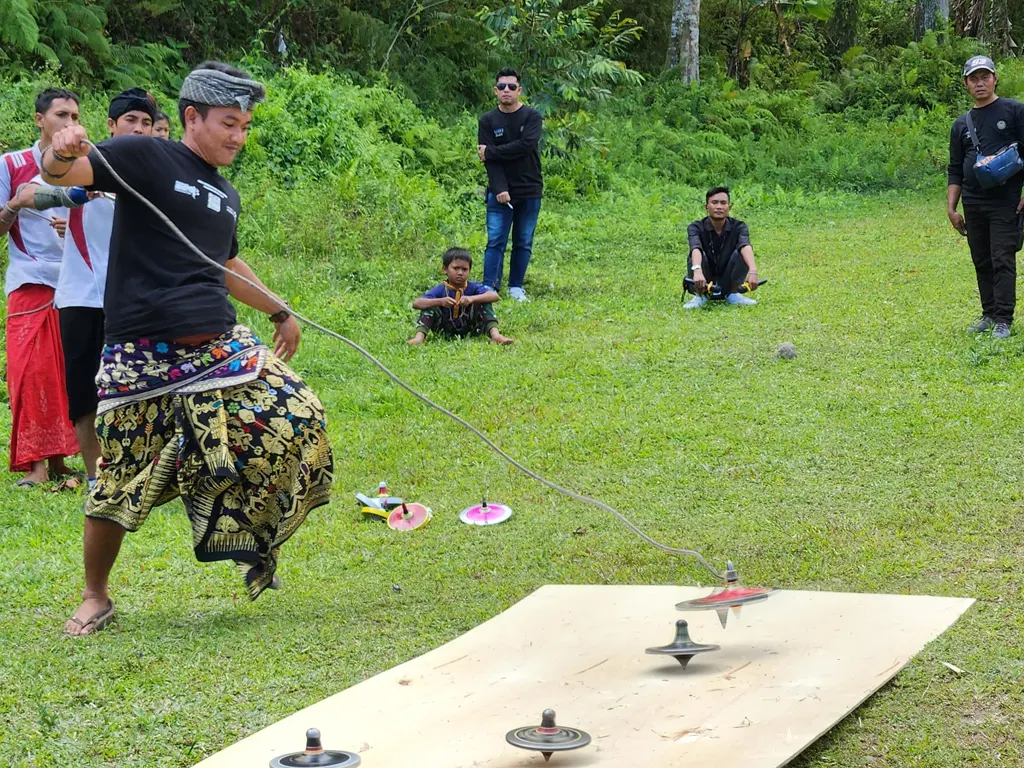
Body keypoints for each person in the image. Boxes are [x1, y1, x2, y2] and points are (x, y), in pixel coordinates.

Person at [41, 61, 335, 635]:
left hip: (218, 349)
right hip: (141, 354)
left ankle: (251, 541)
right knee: (118, 477)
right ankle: (95, 595)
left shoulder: (225, 194)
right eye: (229, 123)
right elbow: (64, 172)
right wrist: (60, 149)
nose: (238, 137)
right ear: (192, 116)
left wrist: (279, 310)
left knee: (296, 418)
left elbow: (225, 264)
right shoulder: (146, 156)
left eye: (245, 126)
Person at [22, 88, 157, 490]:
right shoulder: (84, 164)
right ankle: (97, 478)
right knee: (84, 394)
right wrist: (77, 193)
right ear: (111, 125)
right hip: (80, 296)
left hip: (133, 299)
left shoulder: (158, 173)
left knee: (137, 390)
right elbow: (31, 193)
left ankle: (139, 473)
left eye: (146, 122)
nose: (139, 128)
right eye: (130, 120)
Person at [0, 89, 81, 486]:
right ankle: (36, 465)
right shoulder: (11, 164)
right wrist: (16, 205)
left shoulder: (84, 166)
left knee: (65, 373)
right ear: (39, 120)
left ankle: (61, 462)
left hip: (75, 282)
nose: (69, 123)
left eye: (75, 116)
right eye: (61, 114)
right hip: (30, 280)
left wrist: (75, 228)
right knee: (30, 373)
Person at [947, 55, 1024, 339]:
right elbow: (955, 168)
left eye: (985, 77)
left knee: (1002, 257)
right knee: (981, 258)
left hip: (1007, 201)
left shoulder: (1014, 111)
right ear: (966, 84)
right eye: (973, 79)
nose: (980, 83)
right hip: (973, 202)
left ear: (995, 79)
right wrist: (952, 207)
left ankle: (1004, 319)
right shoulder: (961, 124)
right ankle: (989, 314)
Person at [477, 68, 543, 302]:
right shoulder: (487, 120)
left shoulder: (532, 117)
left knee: (523, 241)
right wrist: (500, 189)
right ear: (495, 90)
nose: (507, 90)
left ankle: (516, 286)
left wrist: (491, 151)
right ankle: (489, 286)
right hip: (500, 191)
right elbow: (490, 163)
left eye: (512, 87)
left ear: (519, 90)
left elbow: (526, 145)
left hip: (530, 189)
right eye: (502, 86)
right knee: (495, 240)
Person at [408, 248, 514, 345]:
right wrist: (440, 301)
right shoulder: (441, 289)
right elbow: (416, 303)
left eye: (464, 269)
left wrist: (472, 299)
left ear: (469, 271)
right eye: (456, 268)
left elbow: (494, 296)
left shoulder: (473, 287)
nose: (460, 273)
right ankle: (419, 338)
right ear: (445, 269)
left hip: (471, 328)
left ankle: (496, 336)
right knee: (429, 305)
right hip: (444, 329)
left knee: (484, 301)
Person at [683, 187, 760, 309]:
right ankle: (700, 295)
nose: (719, 207)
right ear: (706, 207)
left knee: (742, 252)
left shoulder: (739, 226)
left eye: (723, 203)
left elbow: (745, 245)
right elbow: (695, 247)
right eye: (714, 202)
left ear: (729, 207)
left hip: (728, 278)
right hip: (703, 278)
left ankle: (733, 294)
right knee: (696, 255)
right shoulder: (695, 227)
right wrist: (697, 270)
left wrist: (753, 271)